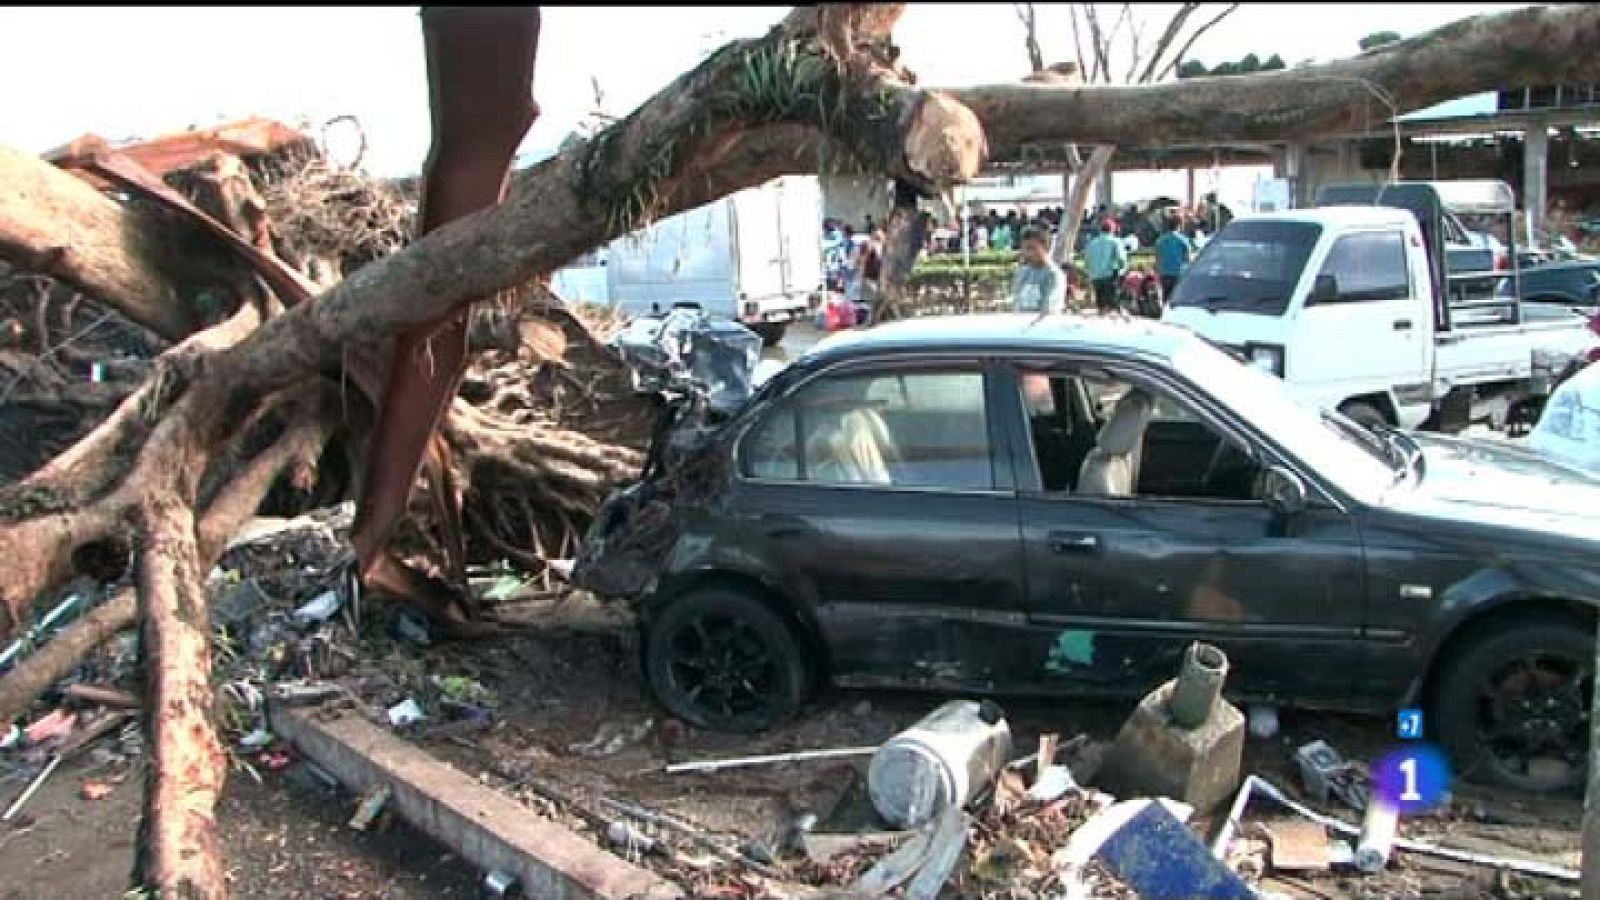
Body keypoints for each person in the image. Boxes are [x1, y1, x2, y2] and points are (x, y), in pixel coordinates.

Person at [1009, 226, 1067, 315]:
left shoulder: (1054, 275)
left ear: (1046, 248)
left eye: (1032, 248)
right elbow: (1016, 304)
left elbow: (1050, 309)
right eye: (1024, 248)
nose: (1027, 253)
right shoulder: (1021, 273)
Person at [1084, 218, 1128, 315]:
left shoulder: (1092, 243)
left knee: (1101, 305)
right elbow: (1121, 260)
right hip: (1110, 276)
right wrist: (1121, 271)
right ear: (1113, 230)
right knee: (1112, 303)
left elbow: (1086, 262)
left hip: (1095, 277)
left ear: (1101, 229)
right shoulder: (1115, 241)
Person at [1154, 214, 1193, 299]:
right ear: (1179, 225)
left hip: (1165, 274)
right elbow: (1188, 259)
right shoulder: (1183, 240)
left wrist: (1158, 272)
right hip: (1179, 273)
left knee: (1166, 298)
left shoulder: (1160, 240)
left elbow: (1157, 258)